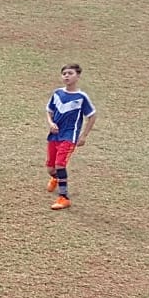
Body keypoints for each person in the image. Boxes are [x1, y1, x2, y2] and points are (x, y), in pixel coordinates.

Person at [45, 63, 96, 209]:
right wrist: (50, 123)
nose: (66, 76)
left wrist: (84, 135)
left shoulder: (81, 97)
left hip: (69, 136)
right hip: (54, 135)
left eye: (70, 73)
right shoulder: (57, 94)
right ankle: (56, 178)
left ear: (78, 76)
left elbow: (92, 116)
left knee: (60, 164)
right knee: (51, 169)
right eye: (64, 73)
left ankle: (64, 197)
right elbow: (49, 110)